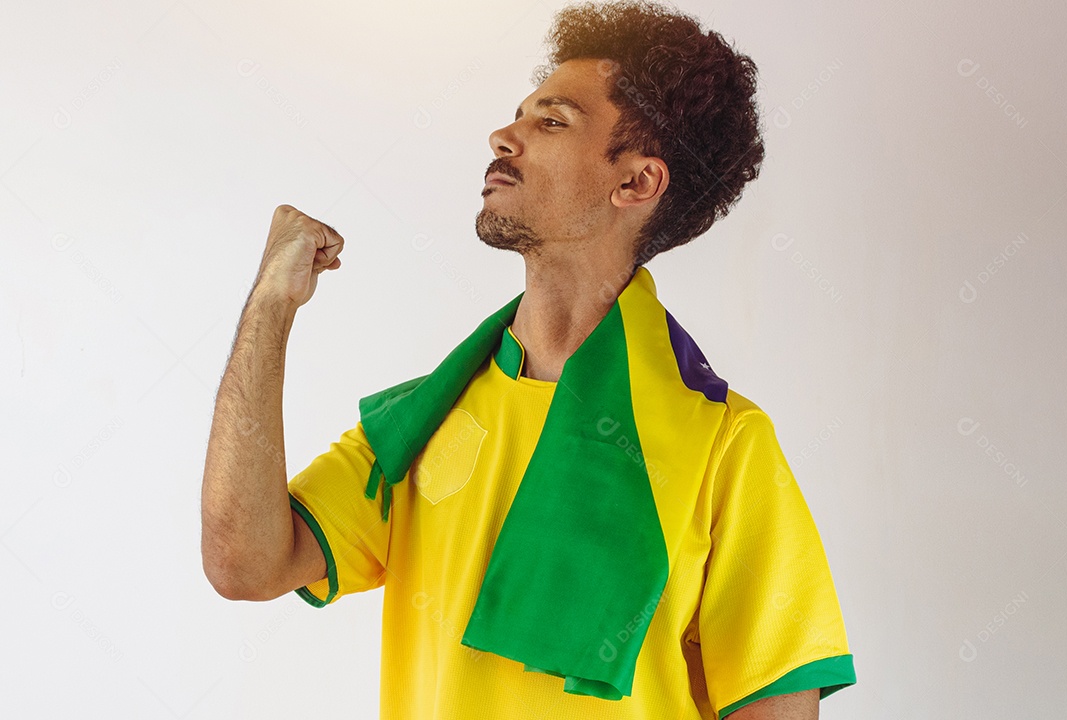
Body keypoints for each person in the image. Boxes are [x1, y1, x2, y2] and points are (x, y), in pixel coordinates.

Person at [201, 1, 857, 718]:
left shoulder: (725, 445)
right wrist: (269, 309)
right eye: (520, 114)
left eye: (551, 121)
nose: (502, 136)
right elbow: (245, 564)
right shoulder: (419, 423)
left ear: (635, 184)